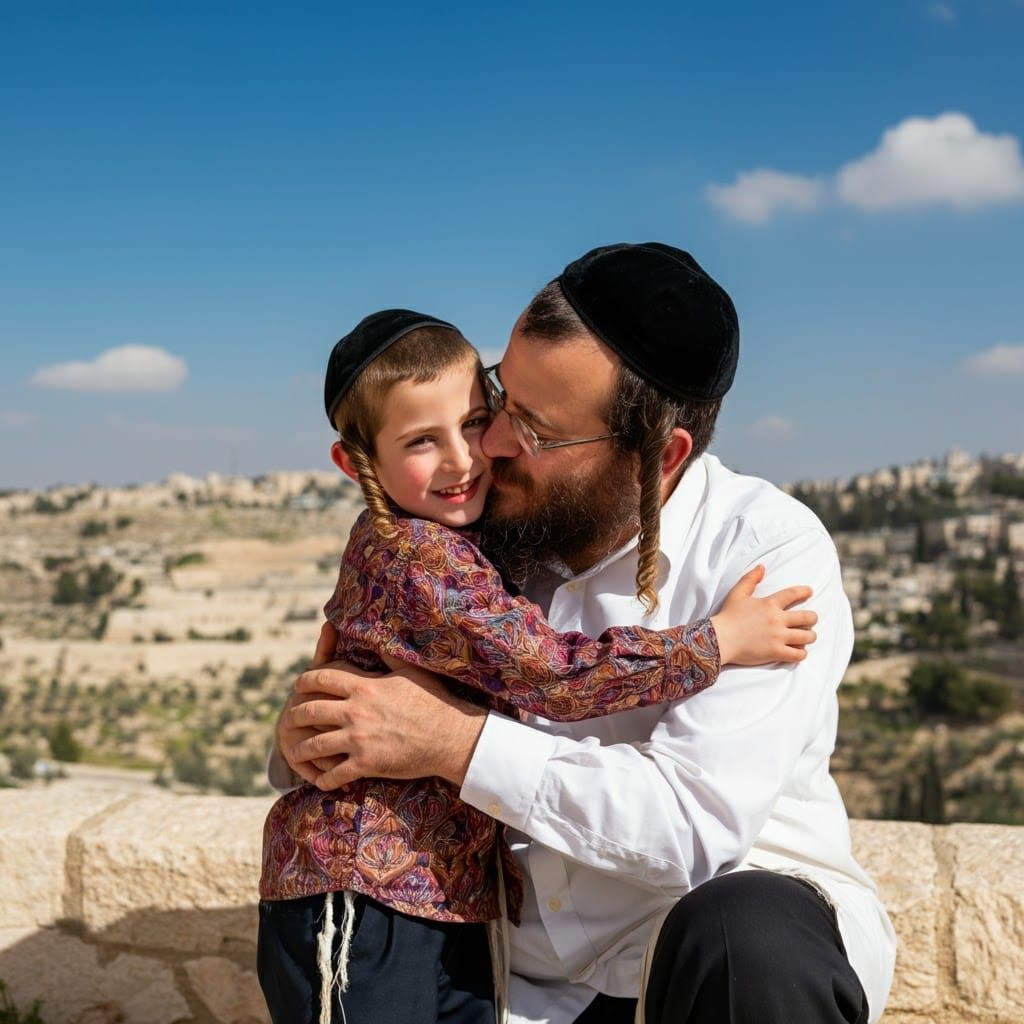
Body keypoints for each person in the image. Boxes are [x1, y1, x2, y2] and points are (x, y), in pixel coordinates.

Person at [274, 242, 898, 1024]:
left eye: (533, 430)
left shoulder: (764, 554)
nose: (490, 444)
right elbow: (356, 704)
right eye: (500, 398)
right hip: (519, 989)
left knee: (747, 935)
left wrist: (451, 742)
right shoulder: (469, 533)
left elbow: (687, 828)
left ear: (656, 458)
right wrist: (312, 731)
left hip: (700, 964)